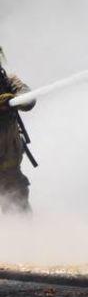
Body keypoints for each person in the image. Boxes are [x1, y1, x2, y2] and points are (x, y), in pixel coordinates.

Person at [0, 51, 35, 215]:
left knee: (19, 215)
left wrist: (13, 100)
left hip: (11, 173)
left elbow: (28, 100)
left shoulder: (9, 81)